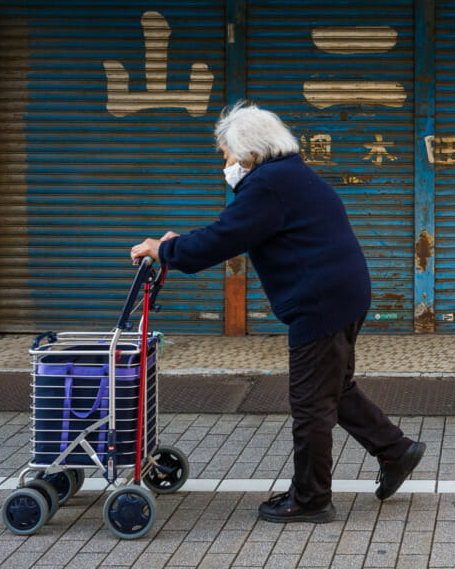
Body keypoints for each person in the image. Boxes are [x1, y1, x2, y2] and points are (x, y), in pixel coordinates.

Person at [130, 101, 425, 523]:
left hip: (320, 301)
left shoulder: (268, 185)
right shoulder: (288, 176)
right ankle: (396, 451)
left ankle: (311, 499)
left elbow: (223, 239)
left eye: (227, 154)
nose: (226, 162)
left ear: (249, 152)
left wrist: (166, 250)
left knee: (310, 404)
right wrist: (178, 245)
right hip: (342, 293)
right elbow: (230, 229)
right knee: (333, 390)